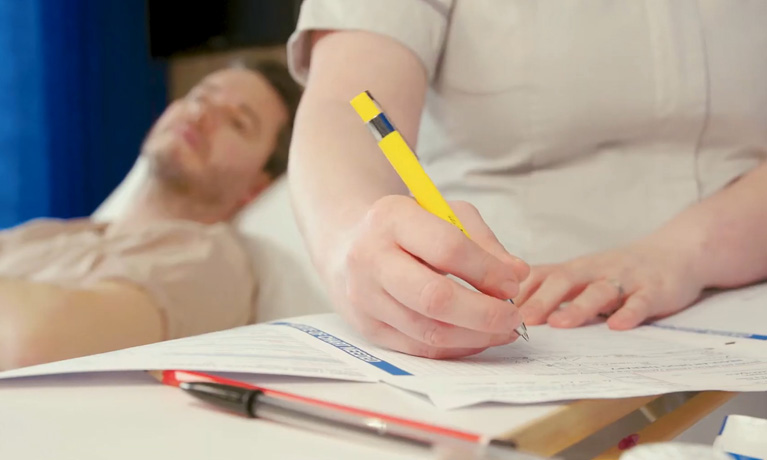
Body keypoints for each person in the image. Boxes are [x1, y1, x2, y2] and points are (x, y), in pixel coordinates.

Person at [285, 1, 767, 359]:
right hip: (500, 337)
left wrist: (687, 251)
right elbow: (345, 107)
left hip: (746, 297)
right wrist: (353, 234)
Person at [0, 59, 302, 370]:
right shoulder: (48, 234)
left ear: (257, 185)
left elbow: (32, 342)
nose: (201, 115)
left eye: (237, 121)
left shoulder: (207, 260)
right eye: (200, 97)